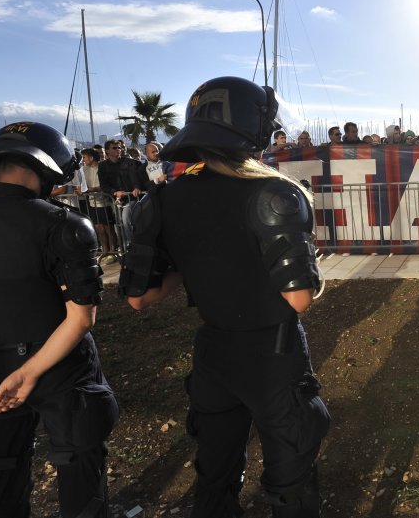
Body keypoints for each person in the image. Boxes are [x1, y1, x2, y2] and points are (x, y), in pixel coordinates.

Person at [120, 76, 330, 518]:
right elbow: (298, 300)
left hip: (214, 354)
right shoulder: (274, 193)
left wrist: (196, 264)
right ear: (253, 128)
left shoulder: (163, 199)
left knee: (215, 475)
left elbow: (141, 298)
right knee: (290, 480)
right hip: (273, 356)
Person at [0, 121, 117, 518]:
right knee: (78, 464)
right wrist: (30, 371)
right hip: (62, 368)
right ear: (48, 171)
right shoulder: (66, 225)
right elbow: (81, 318)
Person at [98, 139, 149, 249]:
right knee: (118, 224)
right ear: (107, 151)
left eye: (119, 147)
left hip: (132, 198)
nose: (118, 150)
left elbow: (136, 177)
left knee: (126, 220)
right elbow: (103, 185)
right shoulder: (102, 166)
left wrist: (136, 187)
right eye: (114, 148)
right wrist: (114, 192)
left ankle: (133, 245)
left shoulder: (130, 162)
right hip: (115, 199)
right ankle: (124, 247)